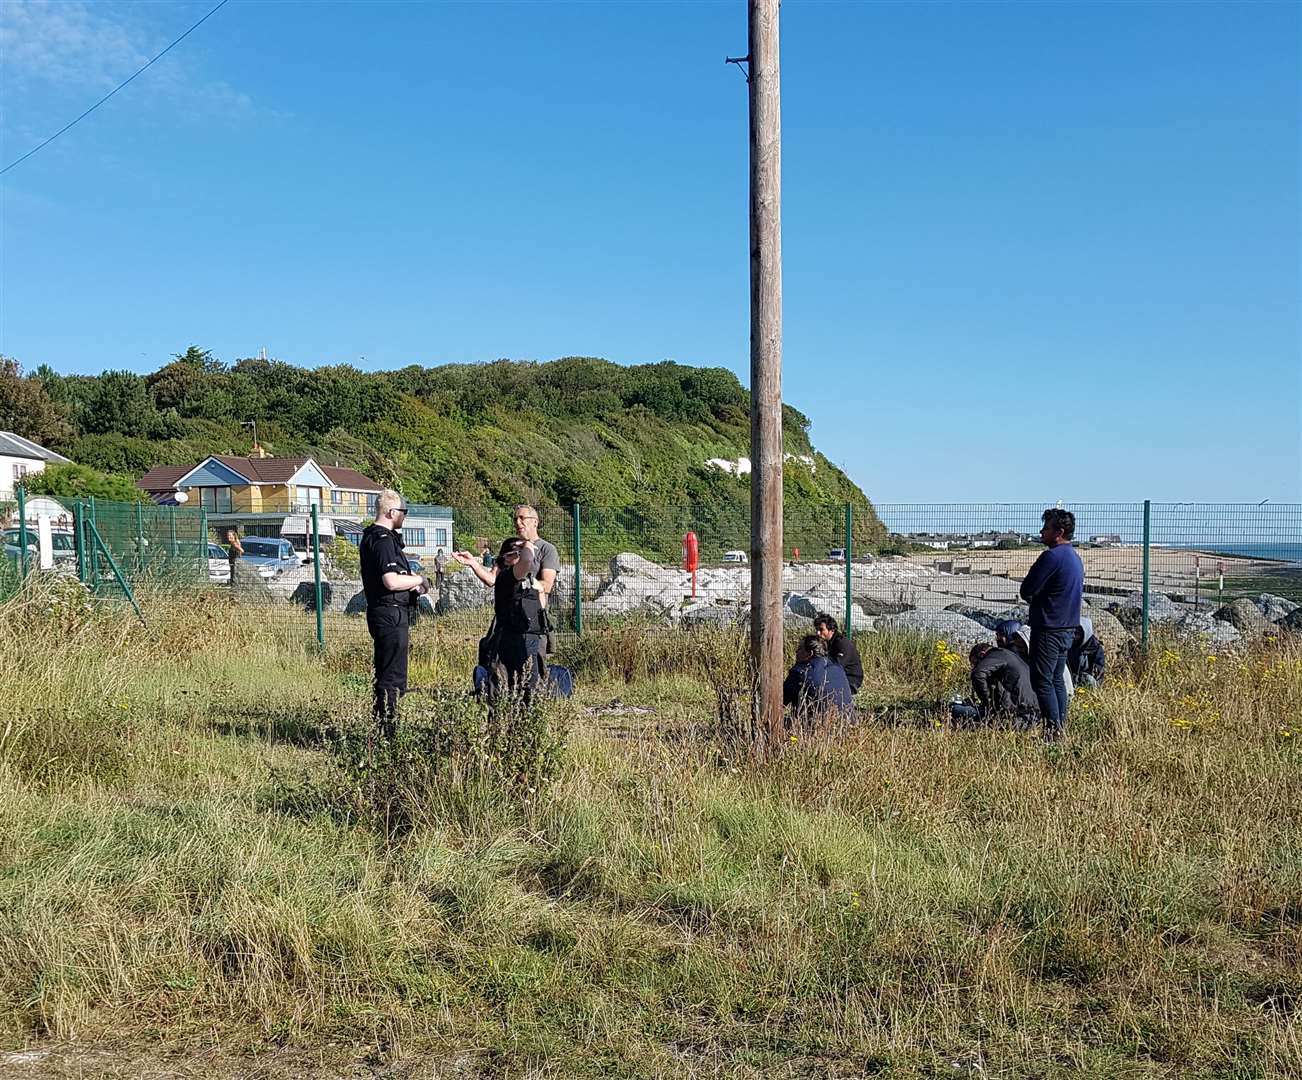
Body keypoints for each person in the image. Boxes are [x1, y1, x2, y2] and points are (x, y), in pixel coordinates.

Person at [359, 491, 431, 738]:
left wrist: (411, 584)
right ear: (391, 513)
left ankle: (382, 726)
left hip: (386, 611)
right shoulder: (383, 540)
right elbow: (390, 581)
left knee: (387, 672)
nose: (405, 517)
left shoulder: (373, 538)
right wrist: (420, 579)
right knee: (392, 676)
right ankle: (387, 732)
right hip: (390, 613)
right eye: (404, 512)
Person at [454, 505, 561, 650]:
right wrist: (472, 563)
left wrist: (523, 580)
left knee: (533, 666)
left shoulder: (547, 549)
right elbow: (492, 579)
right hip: (505, 621)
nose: (518, 522)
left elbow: (547, 585)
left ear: (535, 521)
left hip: (532, 621)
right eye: (515, 519)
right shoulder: (509, 546)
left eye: (522, 518)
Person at [1019, 508, 1085, 740]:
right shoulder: (1074, 557)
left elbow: (1027, 589)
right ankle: (1059, 727)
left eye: (1046, 528)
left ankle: (1052, 733)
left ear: (1059, 531)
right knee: (1056, 678)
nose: (1041, 531)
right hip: (1068, 627)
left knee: (1042, 680)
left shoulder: (1052, 557)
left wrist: (1036, 600)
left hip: (1048, 627)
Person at [478, 535, 546, 700]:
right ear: (506, 558)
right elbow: (528, 561)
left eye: (521, 552)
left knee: (531, 690)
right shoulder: (506, 578)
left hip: (530, 640)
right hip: (508, 641)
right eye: (517, 553)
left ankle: (529, 722)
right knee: (502, 690)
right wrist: (528, 545)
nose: (522, 555)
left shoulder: (530, 582)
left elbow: (540, 608)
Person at [951, 642, 1040, 728]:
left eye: (975, 663)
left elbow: (978, 674)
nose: (974, 667)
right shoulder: (1008, 655)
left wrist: (987, 703)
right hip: (1034, 715)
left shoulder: (994, 655)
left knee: (955, 709)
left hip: (1016, 717)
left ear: (982, 654)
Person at [782, 634, 855, 731]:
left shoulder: (800, 672)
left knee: (776, 723)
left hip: (817, 728)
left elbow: (780, 702)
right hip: (847, 725)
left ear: (810, 653)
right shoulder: (838, 667)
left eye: (800, 649)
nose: (796, 652)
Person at [813, 613, 863, 693]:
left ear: (832, 630)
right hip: (838, 678)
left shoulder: (842, 644)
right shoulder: (826, 642)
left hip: (850, 680)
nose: (818, 633)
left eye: (821, 630)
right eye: (817, 630)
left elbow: (837, 667)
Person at [1068, 616, 1106, 687]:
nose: (1075, 635)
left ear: (1085, 632)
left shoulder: (1095, 647)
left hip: (1087, 679)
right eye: (1074, 631)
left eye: (1078, 632)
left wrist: (1083, 678)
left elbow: (1099, 672)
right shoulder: (1070, 643)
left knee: (1089, 680)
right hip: (1072, 677)